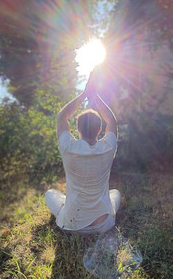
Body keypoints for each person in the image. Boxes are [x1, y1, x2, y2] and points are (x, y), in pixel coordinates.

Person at [45, 75, 120, 235]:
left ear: (77, 129)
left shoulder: (68, 147)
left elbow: (61, 117)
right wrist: (96, 96)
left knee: (50, 194)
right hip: (104, 225)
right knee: (115, 193)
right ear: (100, 130)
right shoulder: (107, 147)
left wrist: (84, 94)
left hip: (73, 224)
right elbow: (112, 122)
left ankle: (68, 206)